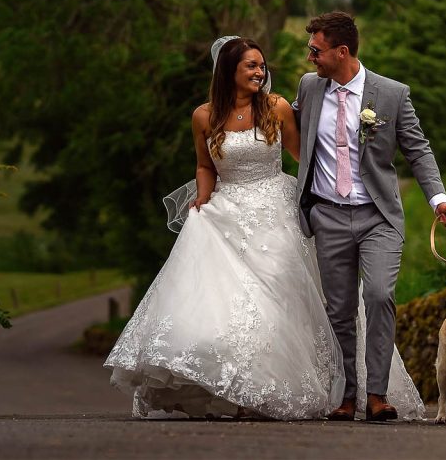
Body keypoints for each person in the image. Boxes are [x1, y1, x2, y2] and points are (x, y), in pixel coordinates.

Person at [104, 36, 423, 421]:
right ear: (229, 72)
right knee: (220, 303)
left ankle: (313, 388)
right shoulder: (203, 116)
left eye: (261, 65)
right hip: (225, 212)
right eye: (250, 66)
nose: (260, 72)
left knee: (276, 298)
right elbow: (205, 165)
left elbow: (303, 157)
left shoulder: (277, 107)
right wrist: (203, 197)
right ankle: (232, 388)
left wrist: (345, 188)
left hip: (276, 210)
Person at [293, 12, 446, 422]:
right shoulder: (310, 88)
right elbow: (283, 124)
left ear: (341, 51)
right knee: (339, 309)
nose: (310, 57)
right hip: (327, 215)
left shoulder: (392, 94)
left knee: (380, 295)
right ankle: (346, 396)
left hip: (378, 216)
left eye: (316, 49)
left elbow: (418, 151)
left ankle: (378, 395)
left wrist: (438, 199)